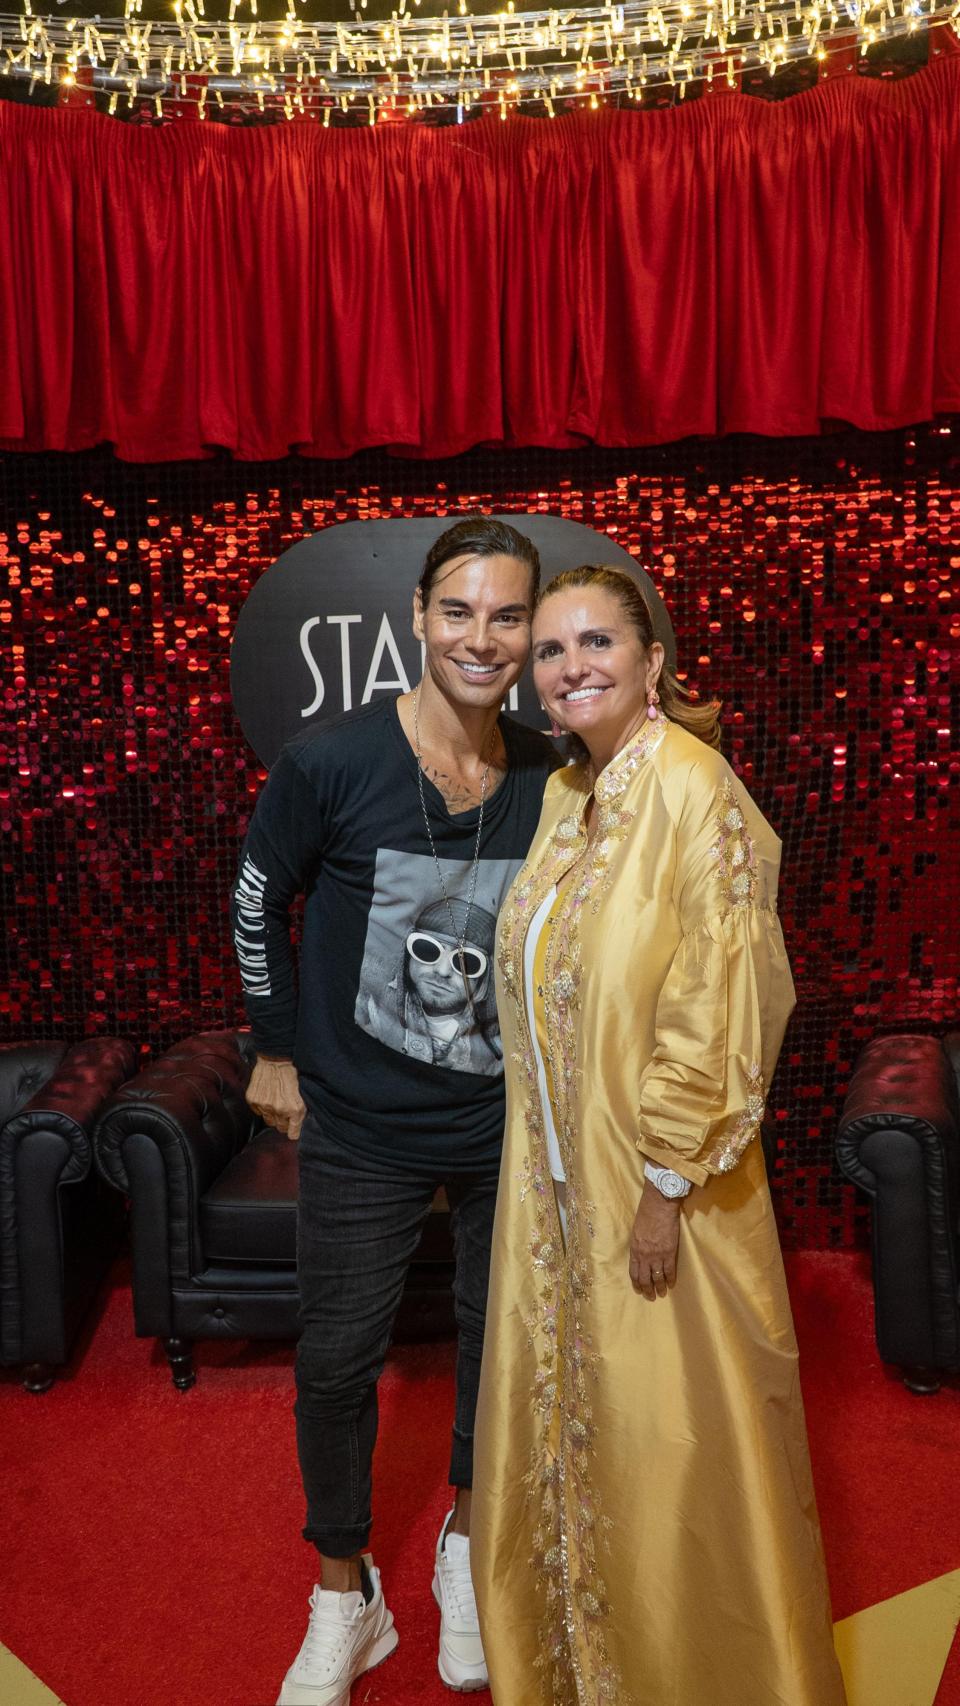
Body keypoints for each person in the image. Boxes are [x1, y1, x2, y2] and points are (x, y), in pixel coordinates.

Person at [471, 566, 847, 1706]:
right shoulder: (565, 793)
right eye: (550, 649)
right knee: (599, 1447)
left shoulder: (696, 788)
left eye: (597, 642)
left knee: (678, 1453)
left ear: (652, 661)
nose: (570, 666)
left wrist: (664, 1185)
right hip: (555, 1196)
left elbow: (720, 1005)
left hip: (661, 1199)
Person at [230, 518, 560, 1706]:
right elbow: (257, 897)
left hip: (504, 1122)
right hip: (362, 1122)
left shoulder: (552, 773)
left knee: (495, 1348)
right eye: (459, 610)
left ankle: (466, 1547)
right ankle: (345, 1593)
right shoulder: (331, 762)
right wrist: (275, 1045)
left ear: (529, 632)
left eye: (507, 615)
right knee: (335, 1361)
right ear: (418, 615)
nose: (482, 636)